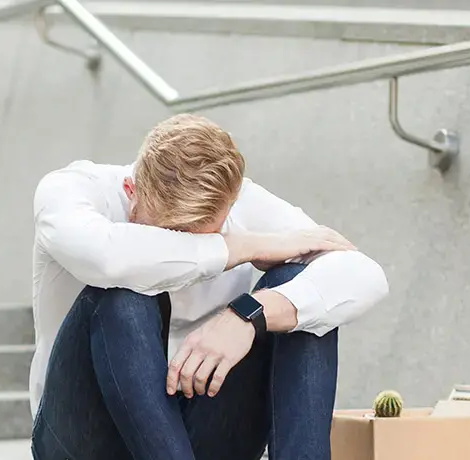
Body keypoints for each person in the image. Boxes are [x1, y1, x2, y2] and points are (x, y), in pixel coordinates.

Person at [29, 114, 390, 460]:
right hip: (83, 438)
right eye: (169, 234)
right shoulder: (74, 189)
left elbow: (363, 274)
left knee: (293, 293)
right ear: (131, 190)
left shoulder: (243, 202)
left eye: (202, 235)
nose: (180, 247)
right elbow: (105, 258)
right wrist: (241, 247)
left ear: (229, 206)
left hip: (202, 429)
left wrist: (246, 317)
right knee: (123, 296)